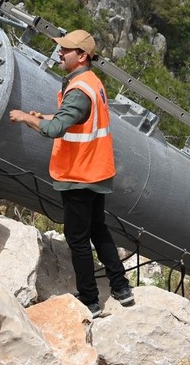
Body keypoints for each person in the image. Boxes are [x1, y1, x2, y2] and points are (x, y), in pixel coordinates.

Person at [9, 29, 134, 318]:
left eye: (66, 50)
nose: (60, 53)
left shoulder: (79, 90)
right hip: (96, 171)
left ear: (82, 56)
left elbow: (56, 130)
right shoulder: (91, 83)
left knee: (78, 239)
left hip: (79, 174)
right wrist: (46, 116)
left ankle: (90, 299)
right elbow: (75, 120)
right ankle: (121, 288)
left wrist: (26, 118)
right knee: (99, 229)